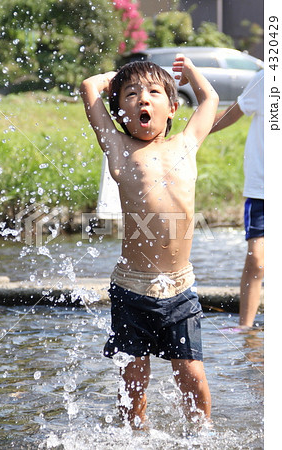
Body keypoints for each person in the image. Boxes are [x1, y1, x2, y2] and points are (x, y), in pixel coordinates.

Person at [80, 56, 219, 428]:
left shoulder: (186, 144)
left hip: (180, 289)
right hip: (132, 290)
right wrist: (113, 79)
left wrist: (191, 74)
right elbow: (89, 87)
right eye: (131, 94)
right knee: (134, 379)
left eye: (154, 93)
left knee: (191, 373)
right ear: (118, 112)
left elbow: (210, 101)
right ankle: (133, 437)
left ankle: (201, 435)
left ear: (172, 108)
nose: (143, 99)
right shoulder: (120, 150)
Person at [210, 69, 264, 329]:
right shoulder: (266, 78)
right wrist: (198, 132)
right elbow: (235, 111)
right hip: (262, 189)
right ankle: (246, 328)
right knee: (257, 259)